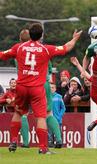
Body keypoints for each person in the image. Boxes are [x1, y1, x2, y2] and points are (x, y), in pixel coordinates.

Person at [0, 23, 82, 154]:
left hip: (22, 87)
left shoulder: (18, 47)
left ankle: (14, 140)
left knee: (18, 113)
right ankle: (43, 148)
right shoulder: (45, 49)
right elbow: (67, 47)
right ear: (41, 35)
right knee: (41, 117)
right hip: (37, 88)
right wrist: (75, 38)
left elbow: (2, 54)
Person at [49, 82, 66, 147]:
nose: (51, 89)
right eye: (50, 88)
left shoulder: (59, 97)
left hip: (57, 119)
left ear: (55, 89)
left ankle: (59, 143)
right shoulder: (46, 97)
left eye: (52, 88)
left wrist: (59, 116)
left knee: (58, 132)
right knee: (50, 133)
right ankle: (50, 143)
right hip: (49, 119)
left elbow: (63, 108)